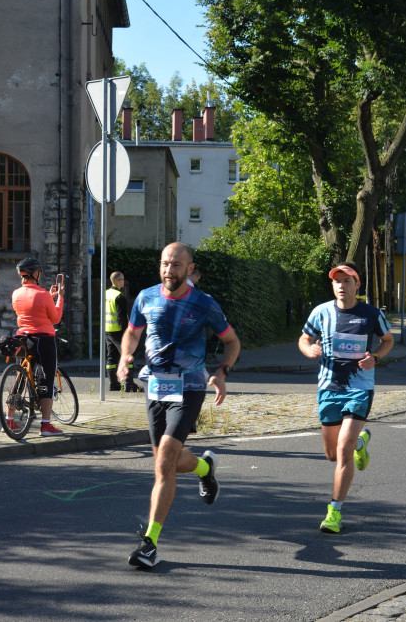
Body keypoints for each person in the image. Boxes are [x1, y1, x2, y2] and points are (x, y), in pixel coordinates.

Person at [117, 242, 240, 569]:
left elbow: (231, 341)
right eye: (165, 264)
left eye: (176, 265)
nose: (169, 270)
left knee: (164, 461)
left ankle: (149, 543)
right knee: (164, 461)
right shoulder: (146, 296)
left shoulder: (204, 304)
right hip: (155, 386)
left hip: (190, 385)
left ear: (189, 269)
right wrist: (125, 356)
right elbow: (132, 332)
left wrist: (221, 372)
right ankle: (204, 468)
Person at [298, 263, 394, 534]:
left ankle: (334, 513)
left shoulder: (371, 314)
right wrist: (309, 351)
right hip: (329, 389)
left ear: (357, 284)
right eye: (336, 281)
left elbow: (387, 340)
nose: (341, 285)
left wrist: (374, 357)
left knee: (343, 450)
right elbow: (304, 339)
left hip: (359, 388)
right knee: (332, 455)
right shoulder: (321, 312)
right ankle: (361, 443)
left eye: (346, 281)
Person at [10, 257, 65, 435]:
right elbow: (55, 318)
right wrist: (60, 298)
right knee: (46, 378)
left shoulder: (16, 293)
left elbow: (32, 308)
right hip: (43, 340)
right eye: (39, 272)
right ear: (35, 274)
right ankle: (46, 425)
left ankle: (9, 420)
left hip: (22, 338)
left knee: (20, 376)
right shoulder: (42, 294)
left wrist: (49, 296)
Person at [104, 271, 138, 392]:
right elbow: (121, 317)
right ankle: (129, 384)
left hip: (107, 330)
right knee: (127, 356)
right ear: (118, 281)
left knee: (111, 358)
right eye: (122, 280)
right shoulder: (119, 296)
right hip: (118, 331)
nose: (123, 281)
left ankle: (113, 384)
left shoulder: (105, 294)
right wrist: (127, 333)